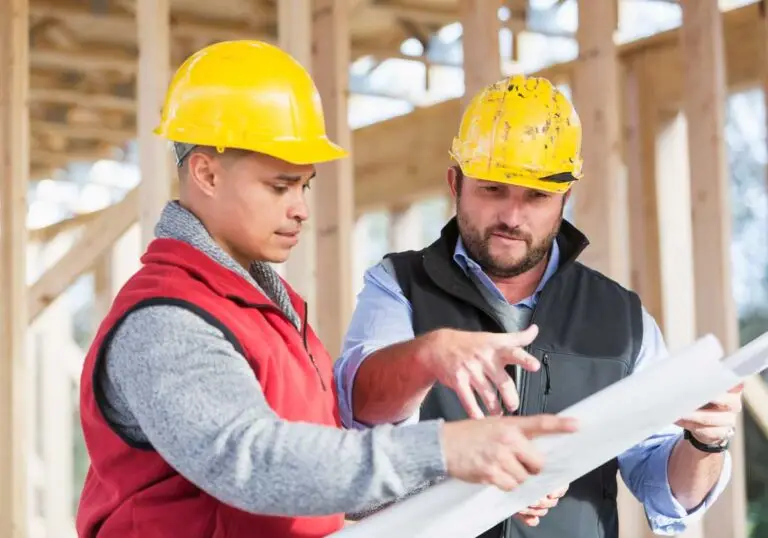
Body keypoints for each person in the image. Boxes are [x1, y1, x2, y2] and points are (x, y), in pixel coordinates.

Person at [74, 43, 580, 538]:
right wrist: (446, 448)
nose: (301, 209)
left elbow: (331, 469)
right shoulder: (167, 320)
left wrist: (483, 474)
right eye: (280, 186)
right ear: (206, 172)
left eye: (304, 186)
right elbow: (256, 463)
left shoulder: (266, 312)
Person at [334, 74, 743, 538]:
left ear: (565, 198)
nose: (512, 216)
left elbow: (665, 490)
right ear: (455, 182)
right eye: (492, 189)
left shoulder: (623, 322)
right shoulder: (398, 286)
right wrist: (431, 355)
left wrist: (706, 442)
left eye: (536, 196)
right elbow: (362, 416)